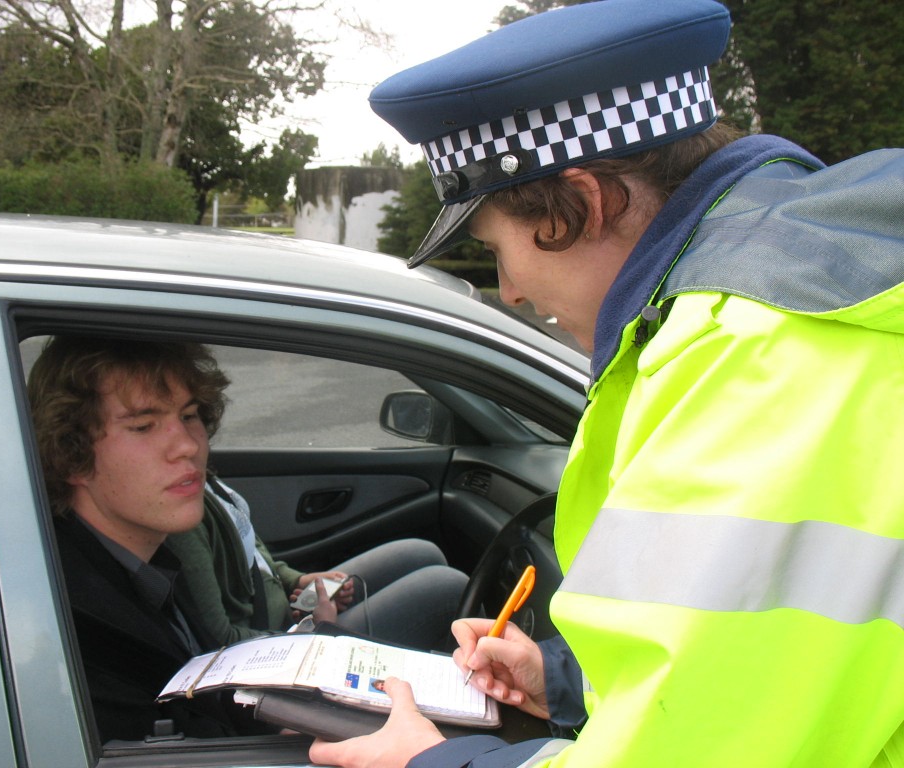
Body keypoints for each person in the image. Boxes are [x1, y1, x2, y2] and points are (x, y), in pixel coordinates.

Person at [309, 1, 904, 767]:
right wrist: (569, 680)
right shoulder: (775, 292)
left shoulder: (752, 352)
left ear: (585, 205)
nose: (511, 292)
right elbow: (788, 661)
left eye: (498, 252)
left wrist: (432, 762)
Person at [28, 335, 249, 741]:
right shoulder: (79, 633)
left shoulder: (139, 559)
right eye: (144, 426)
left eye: (189, 415)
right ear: (70, 453)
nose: (187, 445)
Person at [169, 476, 468, 650]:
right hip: (284, 647)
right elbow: (220, 641)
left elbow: (255, 555)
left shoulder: (205, 481)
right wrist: (315, 629)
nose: (186, 439)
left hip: (290, 615)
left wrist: (298, 580)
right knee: (451, 588)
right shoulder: (183, 518)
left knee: (422, 552)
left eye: (191, 416)